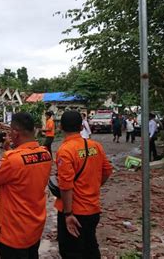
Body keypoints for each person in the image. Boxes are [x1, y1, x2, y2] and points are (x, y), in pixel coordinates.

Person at [0, 112, 52, 258]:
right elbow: (23, 167)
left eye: (10, 131)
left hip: (14, 232)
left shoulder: (12, 160)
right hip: (35, 227)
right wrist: (8, 149)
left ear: (15, 133)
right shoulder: (45, 155)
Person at [55, 110, 113, 259]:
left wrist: (68, 214)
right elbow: (107, 170)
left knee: (72, 252)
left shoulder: (65, 151)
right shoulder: (95, 146)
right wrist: (92, 186)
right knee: (91, 248)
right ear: (81, 127)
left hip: (74, 212)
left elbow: (66, 185)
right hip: (93, 209)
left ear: (60, 127)